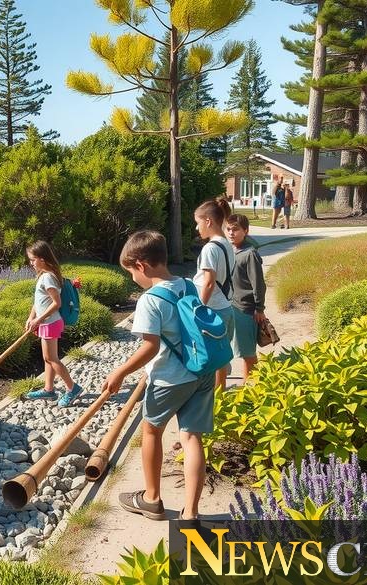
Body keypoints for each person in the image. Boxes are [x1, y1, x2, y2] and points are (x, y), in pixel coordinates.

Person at [102, 230, 215, 524]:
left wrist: (120, 372)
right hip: (201, 372)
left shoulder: (150, 300)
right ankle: (190, 513)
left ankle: (152, 499)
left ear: (141, 265)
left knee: (151, 432)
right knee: (192, 438)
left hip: (169, 379)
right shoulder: (189, 286)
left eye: (130, 273)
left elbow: (150, 347)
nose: (132, 279)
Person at [23, 240, 84, 407]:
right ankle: (49, 389)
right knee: (47, 358)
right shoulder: (43, 276)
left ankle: (73, 388)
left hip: (51, 323)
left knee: (52, 358)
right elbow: (39, 302)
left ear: (42, 259)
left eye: (32, 259)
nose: (31, 263)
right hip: (46, 323)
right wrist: (31, 317)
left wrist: (38, 319)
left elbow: (56, 303)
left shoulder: (48, 277)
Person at [194, 197, 236, 392]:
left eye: (198, 223)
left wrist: (199, 309)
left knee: (211, 357)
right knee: (221, 357)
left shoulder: (210, 248)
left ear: (208, 221)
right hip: (225, 307)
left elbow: (209, 282)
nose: (197, 228)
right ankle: (221, 396)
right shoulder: (227, 244)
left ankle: (214, 397)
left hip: (213, 310)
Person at [225, 214, 267, 384]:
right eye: (228, 229)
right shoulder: (229, 251)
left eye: (235, 229)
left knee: (247, 353)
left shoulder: (250, 254)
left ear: (246, 231)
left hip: (246, 309)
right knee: (236, 350)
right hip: (231, 307)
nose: (231, 233)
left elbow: (259, 284)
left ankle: (251, 389)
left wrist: (259, 308)